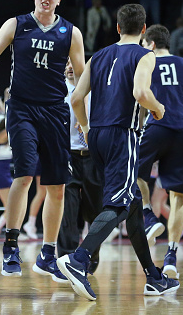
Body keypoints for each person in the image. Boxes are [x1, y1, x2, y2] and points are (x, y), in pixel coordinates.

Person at [58, 4, 179, 300]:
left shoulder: (98, 55)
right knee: (118, 204)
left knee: (133, 207)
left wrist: (86, 129)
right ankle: (79, 259)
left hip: (97, 135)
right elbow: (140, 93)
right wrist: (158, 108)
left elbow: (76, 98)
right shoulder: (145, 54)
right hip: (121, 134)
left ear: (116, 28)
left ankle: (154, 277)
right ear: (143, 30)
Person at [0, 0, 85, 282]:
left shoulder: (70, 33)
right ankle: (11, 246)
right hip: (22, 108)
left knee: (57, 187)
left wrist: (86, 114)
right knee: (23, 175)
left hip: (55, 110)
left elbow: (82, 81)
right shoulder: (16, 24)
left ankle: (48, 253)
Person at [136, 24, 183, 279]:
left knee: (132, 171)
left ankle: (148, 215)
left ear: (151, 44)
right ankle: (171, 254)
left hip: (158, 125)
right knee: (178, 196)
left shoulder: (146, 63)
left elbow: (141, 96)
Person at [57, 60, 103, 274]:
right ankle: (65, 258)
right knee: (68, 209)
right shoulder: (57, 88)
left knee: (95, 211)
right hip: (68, 154)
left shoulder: (97, 89)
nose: (69, 66)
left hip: (93, 155)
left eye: (72, 62)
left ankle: (91, 254)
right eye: (65, 63)